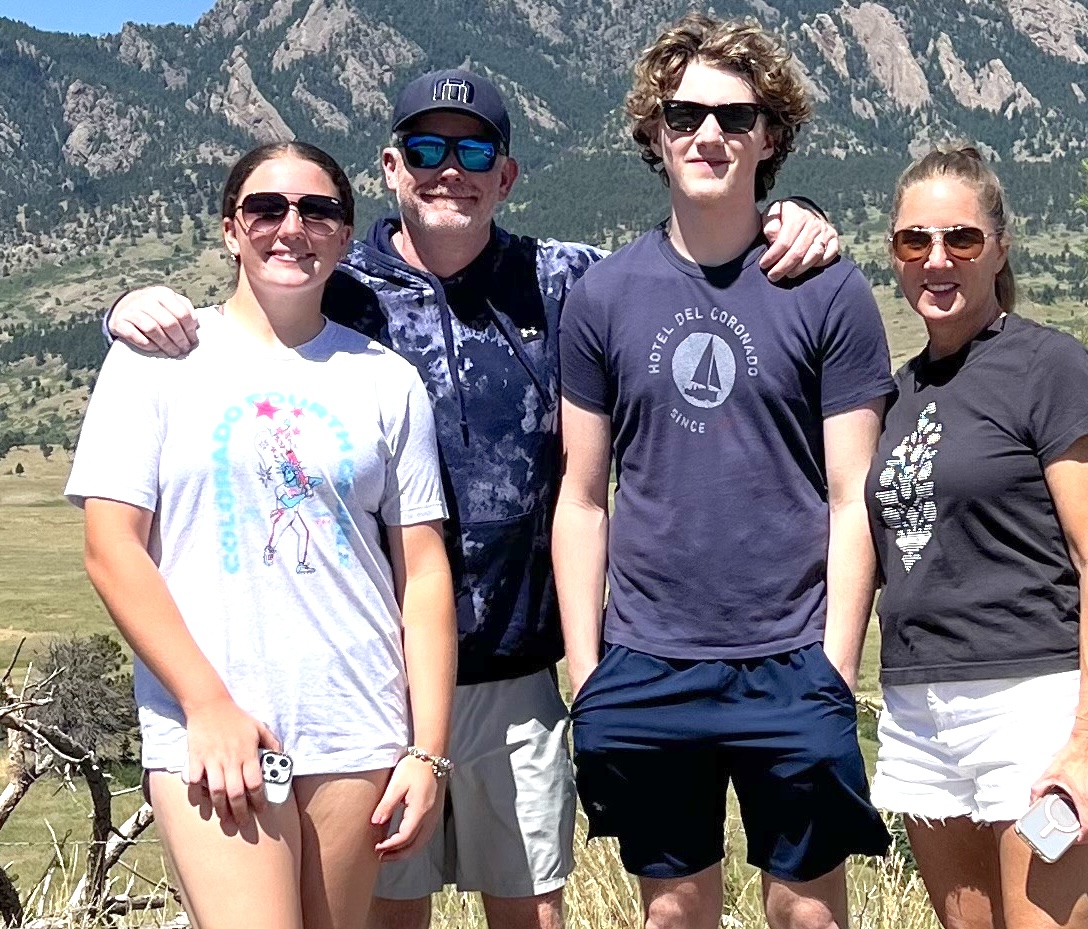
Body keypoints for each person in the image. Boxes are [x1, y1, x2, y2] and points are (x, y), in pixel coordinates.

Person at [103, 68, 841, 929]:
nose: (446, 169)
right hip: (380, 684)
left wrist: (795, 213)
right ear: (389, 166)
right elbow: (236, 314)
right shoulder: (335, 282)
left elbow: (687, 260)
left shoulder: (568, 282)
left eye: (472, 150)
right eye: (424, 147)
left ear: (506, 174)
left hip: (518, 672)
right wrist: (126, 307)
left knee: (532, 915)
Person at [555, 14, 893, 929]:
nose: (708, 134)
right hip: (647, 657)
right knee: (672, 913)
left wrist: (833, 663)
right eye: (684, 114)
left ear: (769, 135)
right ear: (655, 133)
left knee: (809, 913)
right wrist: (589, 672)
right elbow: (582, 497)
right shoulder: (603, 298)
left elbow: (852, 496)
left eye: (734, 117)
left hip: (792, 656)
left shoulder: (828, 290)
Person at [66, 141, 456, 929]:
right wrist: (205, 701)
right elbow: (111, 546)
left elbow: (422, 572)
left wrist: (428, 750)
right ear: (230, 229)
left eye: (318, 211)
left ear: (345, 234)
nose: (292, 227)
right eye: (266, 208)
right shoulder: (156, 361)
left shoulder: (386, 380)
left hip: (358, 724)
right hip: (209, 726)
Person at [866, 144, 1088, 929]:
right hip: (920, 708)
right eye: (916, 241)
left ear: (1000, 247)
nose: (937, 259)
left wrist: (1087, 734)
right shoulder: (900, 391)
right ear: (896, 255)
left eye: (961, 239)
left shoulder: (1050, 368)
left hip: (1035, 703)